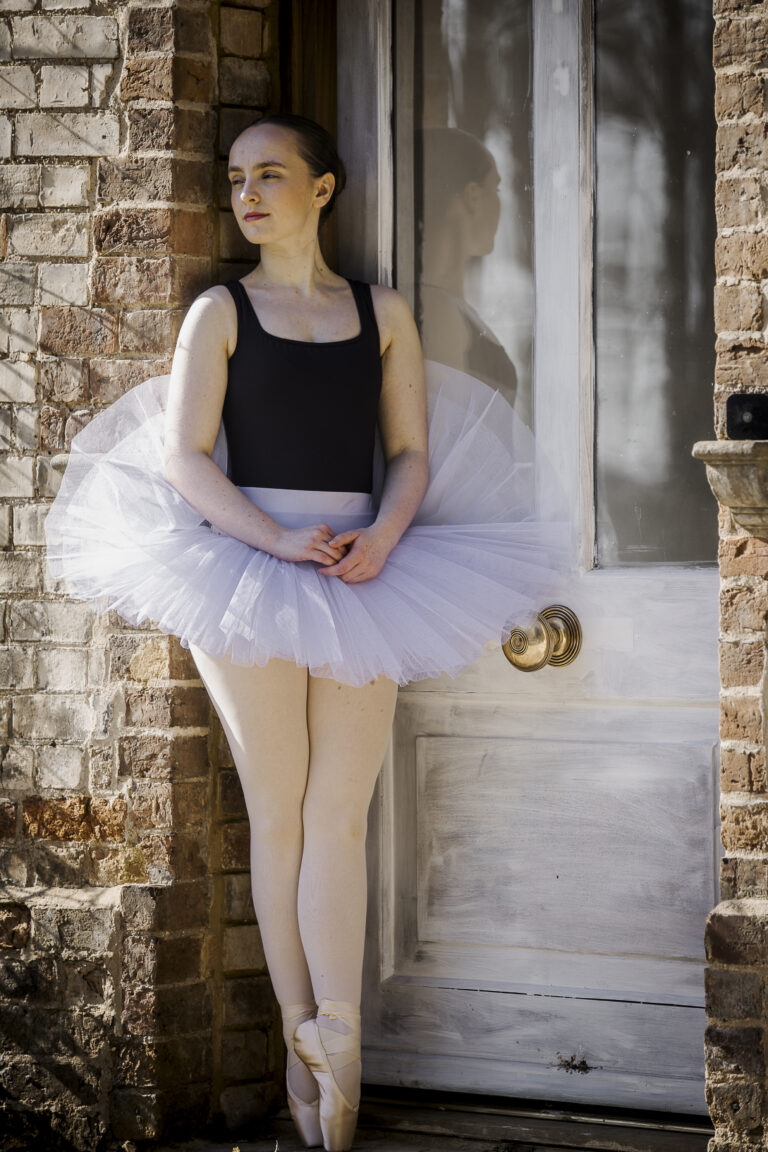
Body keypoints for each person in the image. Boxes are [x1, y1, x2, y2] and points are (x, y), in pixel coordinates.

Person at [44, 113, 569, 1151]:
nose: (247, 192)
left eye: (270, 174)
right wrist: (274, 541)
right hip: (244, 563)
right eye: (236, 177)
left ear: (322, 190)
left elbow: (409, 451)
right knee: (277, 813)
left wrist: (384, 533)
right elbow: (186, 458)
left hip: (364, 563)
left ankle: (346, 1042)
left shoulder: (380, 311)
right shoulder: (219, 312)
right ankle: (299, 1040)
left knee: (340, 814)